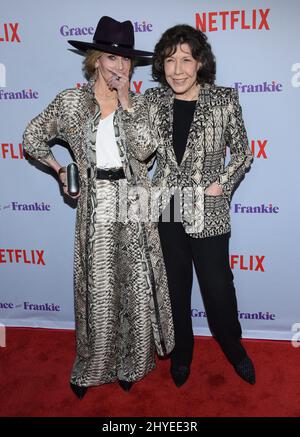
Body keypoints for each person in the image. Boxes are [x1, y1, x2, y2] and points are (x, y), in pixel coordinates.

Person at [23, 16, 174, 399]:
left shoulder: (140, 105)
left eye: (126, 61)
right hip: (95, 203)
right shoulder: (72, 102)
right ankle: (93, 366)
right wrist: (59, 170)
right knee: (99, 288)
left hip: (133, 200)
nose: (119, 67)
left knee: (135, 287)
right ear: (94, 59)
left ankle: (132, 363)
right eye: (111, 57)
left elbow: (144, 150)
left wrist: (126, 103)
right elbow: (32, 137)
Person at [126, 24, 255, 387]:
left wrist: (223, 185)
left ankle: (234, 348)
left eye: (186, 59)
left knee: (218, 288)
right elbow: (140, 151)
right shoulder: (153, 101)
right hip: (167, 206)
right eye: (169, 60)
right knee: (174, 289)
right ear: (161, 66)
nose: (177, 69)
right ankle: (182, 352)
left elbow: (243, 153)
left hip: (209, 209)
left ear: (200, 63)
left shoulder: (224, 100)